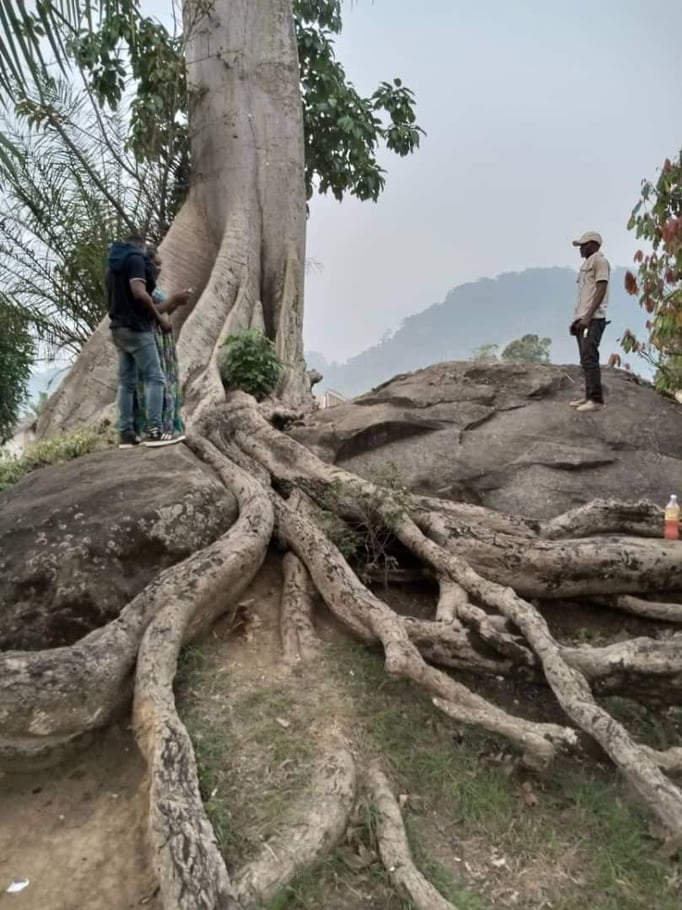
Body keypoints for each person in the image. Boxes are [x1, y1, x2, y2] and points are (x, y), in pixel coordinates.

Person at [107, 233, 178, 448]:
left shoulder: (113, 265)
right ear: (139, 247)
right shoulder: (135, 259)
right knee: (156, 378)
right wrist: (160, 320)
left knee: (126, 383)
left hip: (118, 328)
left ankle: (126, 433)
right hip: (137, 329)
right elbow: (139, 293)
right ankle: (154, 430)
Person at [132, 246, 192, 441]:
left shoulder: (153, 288)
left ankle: (167, 427)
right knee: (156, 383)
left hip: (162, 341)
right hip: (150, 342)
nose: (160, 268)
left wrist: (176, 302)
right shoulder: (138, 289)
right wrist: (174, 298)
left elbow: (161, 313)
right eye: (156, 264)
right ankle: (156, 429)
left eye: (161, 264)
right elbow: (146, 312)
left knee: (166, 382)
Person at [569, 231, 610, 412]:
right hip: (584, 318)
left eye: (583, 245)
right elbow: (585, 295)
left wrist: (587, 318)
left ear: (592, 244)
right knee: (585, 358)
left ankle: (596, 400)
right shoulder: (587, 264)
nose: (581, 249)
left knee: (590, 356)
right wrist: (577, 320)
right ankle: (587, 396)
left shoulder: (600, 262)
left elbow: (600, 290)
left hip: (593, 319)